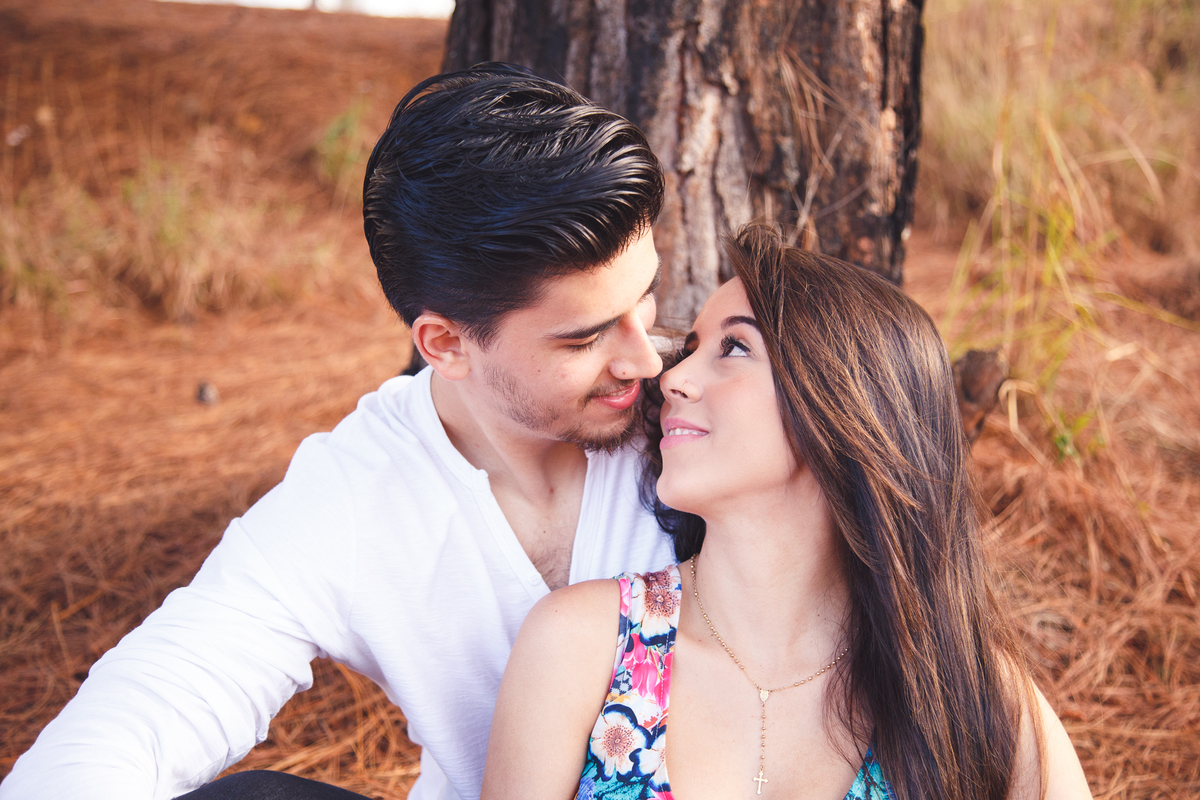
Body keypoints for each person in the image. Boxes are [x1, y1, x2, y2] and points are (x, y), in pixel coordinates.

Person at [0, 63, 677, 800]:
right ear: (446, 344)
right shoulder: (356, 493)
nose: (646, 357)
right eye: (584, 339)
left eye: (645, 299)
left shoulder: (706, 414)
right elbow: (152, 703)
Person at [482, 226, 1094, 800]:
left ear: (846, 406)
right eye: (691, 349)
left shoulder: (970, 696)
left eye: (735, 347)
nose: (671, 379)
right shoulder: (582, 648)